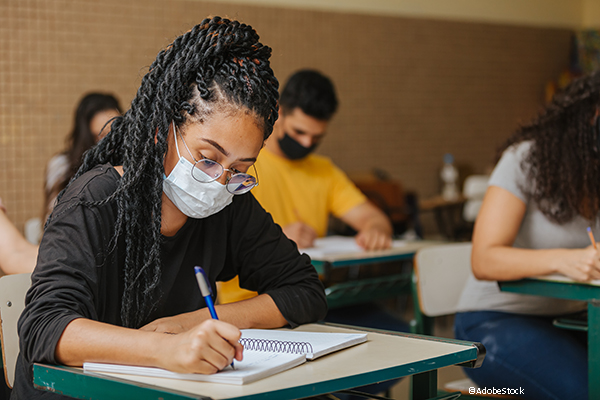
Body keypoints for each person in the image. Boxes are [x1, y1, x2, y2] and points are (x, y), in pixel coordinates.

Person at [12, 17, 327, 399]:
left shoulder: (228, 203)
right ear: (164, 131)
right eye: (208, 158)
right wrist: (165, 350)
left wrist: (191, 324)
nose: (219, 181)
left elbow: (304, 290)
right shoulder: (95, 201)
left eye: (240, 170)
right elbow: (44, 328)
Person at [453, 72, 600, 400]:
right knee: (584, 392)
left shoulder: (595, 173)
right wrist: (566, 260)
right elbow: (484, 259)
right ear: (587, 118)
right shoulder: (525, 159)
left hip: (572, 318)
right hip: (492, 324)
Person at [219, 69, 394, 304]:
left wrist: (375, 229)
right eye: (299, 132)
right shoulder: (243, 165)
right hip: (248, 303)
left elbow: (372, 217)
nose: (306, 143)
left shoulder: (324, 171)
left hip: (308, 298)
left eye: (316, 137)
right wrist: (275, 241)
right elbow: (217, 243)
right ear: (277, 113)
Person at [0, 93, 121, 275]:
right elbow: (17, 253)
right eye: (101, 136)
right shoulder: (65, 168)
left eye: (115, 133)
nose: (109, 143)